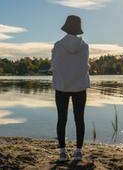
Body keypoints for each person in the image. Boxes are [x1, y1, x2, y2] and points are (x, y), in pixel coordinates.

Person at [51, 15, 90, 162]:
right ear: (78, 30)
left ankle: (62, 152)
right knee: (79, 119)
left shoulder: (58, 45)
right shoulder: (85, 46)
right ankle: (78, 152)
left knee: (62, 119)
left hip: (62, 86)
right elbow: (83, 65)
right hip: (80, 86)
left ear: (66, 28)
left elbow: (54, 64)